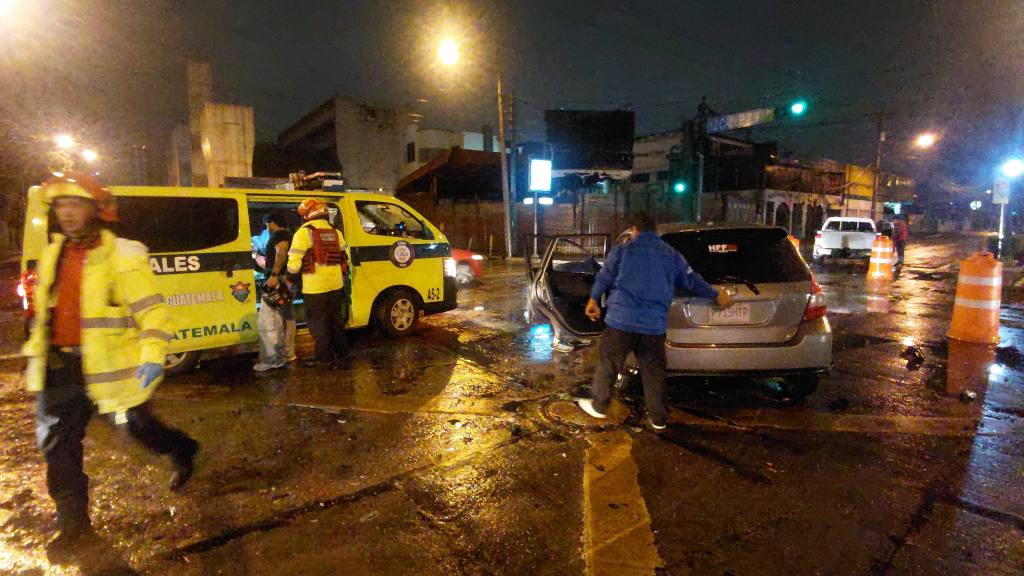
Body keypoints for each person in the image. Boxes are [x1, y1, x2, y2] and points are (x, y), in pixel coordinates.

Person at [22, 173, 199, 560]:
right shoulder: (54, 253)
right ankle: (74, 527)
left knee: (138, 427)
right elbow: (46, 314)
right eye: (60, 206)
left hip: (108, 372)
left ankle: (181, 448)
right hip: (59, 371)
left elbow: (152, 312)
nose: (66, 214)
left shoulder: (123, 257)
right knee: (58, 447)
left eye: (75, 205)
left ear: (95, 211)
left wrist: (153, 355)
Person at [576, 212, 733, 430]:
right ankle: (658, 418)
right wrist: (716, 295)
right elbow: (692, 280)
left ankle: (599, 406)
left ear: (634, 230)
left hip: (621, 321)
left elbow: (605, 276)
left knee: (609, 363)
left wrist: (593, 299)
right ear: (656, 231)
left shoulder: (623, 250)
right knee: (653, 372)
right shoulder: (671, 254)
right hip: (653, 326)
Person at [287, 198, 349, 367]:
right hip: (335, 285)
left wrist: (289, 277)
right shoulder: (335, 231)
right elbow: (344, 256)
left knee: (318, 324)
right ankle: (342, 353)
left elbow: (294, 263)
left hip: (315, 288)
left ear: (307, 214)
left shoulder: (304, 232)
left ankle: (325, 357)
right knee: (335, 320)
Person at [254, 211, 297, 371]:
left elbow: (281, 254)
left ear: (272, 222)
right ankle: (288, 353)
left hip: (278, 282)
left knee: (268, 320)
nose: (267, 228)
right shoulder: (288, 234)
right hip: (284, 281)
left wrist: (273, 275)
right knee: (286, 316)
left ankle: (272, 360)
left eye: (267, 224)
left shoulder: (281, 235)